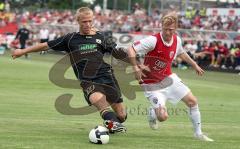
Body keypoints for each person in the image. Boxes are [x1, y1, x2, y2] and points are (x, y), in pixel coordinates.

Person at [12, 7, 128, 133]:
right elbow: (45, 45)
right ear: (78, 21)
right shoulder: (70, 39)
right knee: (98, 100)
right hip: (88, 80)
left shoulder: (101, 37)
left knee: (121, 116)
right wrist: (23, 51)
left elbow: (117, 53)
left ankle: (113, 122)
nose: (88, 24)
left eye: (90, 21)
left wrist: (136, 63)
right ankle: (111, 122)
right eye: (84, 21)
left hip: (107, 76)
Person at [127, 11, 214, 141]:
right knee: (162, 117)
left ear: (176, 28)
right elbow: (131, 49)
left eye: (171, 30)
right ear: (161, 27)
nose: (168, 32)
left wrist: (194, 64)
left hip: (169, 78)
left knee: (193, 101)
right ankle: (153, 113)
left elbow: (182, 53)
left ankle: (198, 133)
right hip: (152, 84)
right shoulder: (153, 40)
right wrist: (135, 67)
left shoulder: (177, 40)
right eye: (165, 29)